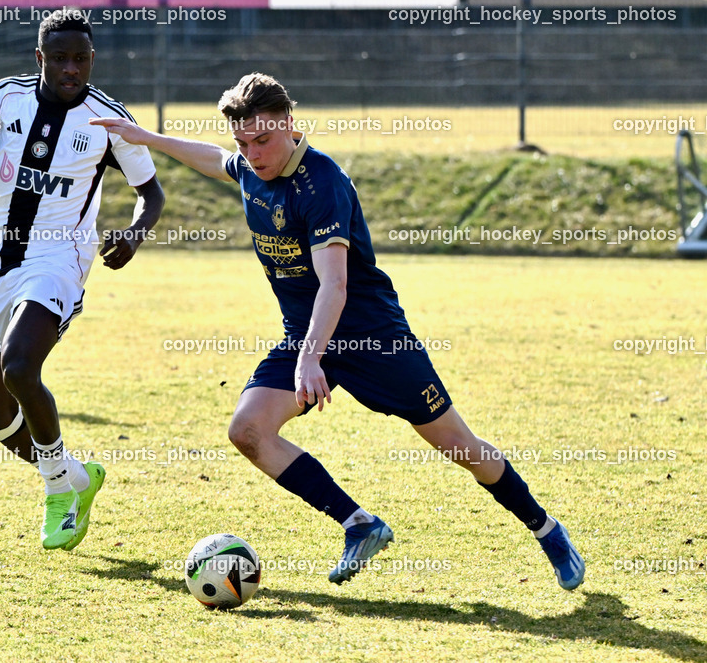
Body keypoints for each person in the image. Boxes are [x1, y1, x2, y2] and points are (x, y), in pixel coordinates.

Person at [90, 73, 585, 590]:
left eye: (263, 140)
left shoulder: (322, 184)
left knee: (458, 445)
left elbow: (335, 285)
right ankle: (360, 525)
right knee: (249, 431)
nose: (253, 153)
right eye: (244, 142)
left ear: (289, 125)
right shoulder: (251, 165)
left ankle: (546, 529)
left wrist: (310, 359)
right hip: (305, 336)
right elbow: (217, 161)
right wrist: (147, 138)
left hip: (374, 339)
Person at [0, 10, 164, 552]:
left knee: (19, 366)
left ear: (92, 60)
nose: (70, 68)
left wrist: (134, 234)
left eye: (81, 58)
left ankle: (57, 490)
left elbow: (152, 193)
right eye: (60, 58)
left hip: (60, 258)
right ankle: (78, 476)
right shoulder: (6, 99)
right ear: (40, 59)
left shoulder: (109, 120)